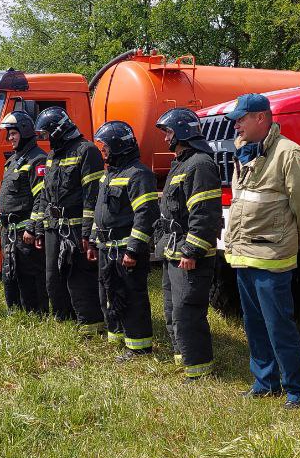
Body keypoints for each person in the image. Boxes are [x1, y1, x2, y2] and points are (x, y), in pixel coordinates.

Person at [223, 93, 300, 409]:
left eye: (242, 118)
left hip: (271, 256)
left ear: (262, 118)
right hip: (243, 255)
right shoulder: (245, 152)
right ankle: (265, 382)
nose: (237, 125)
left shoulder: (289, 154)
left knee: (279, 326)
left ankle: (299, 391)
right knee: (253, 325)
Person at [154, 108, 224, 380]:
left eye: (169, 132)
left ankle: (199, 369)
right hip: (174, 249)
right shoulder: (181, 163)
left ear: (183, 131)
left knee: (187, 311)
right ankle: (183, 358)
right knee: (172, 309)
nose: (165, 138)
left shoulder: (200, 164)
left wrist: (192, 250)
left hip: (189, 253)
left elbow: (204, 213)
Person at [32, 106, 105, 332]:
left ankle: (91, 325)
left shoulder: (87, 151)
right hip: (53, 227)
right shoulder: (53, 155)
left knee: (79, 278)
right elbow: (45, 195)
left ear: (57, 130)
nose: (44, 140)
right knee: (53, 278)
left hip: (75, 229)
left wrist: (87, 233)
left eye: (46, 134)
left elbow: (92, 197)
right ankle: (64, 321)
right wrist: (39, 229)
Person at [90, 121, 159, 360]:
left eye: (106, 147)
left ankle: (139, 347)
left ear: (119, 146)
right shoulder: (109, 175)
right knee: (108, 294)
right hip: (105, 248)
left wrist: (133, 250)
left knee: (131, 296)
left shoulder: (139, 175)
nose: (103, 151)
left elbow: (146, 215)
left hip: (124, 250)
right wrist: (92, 240)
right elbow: (100, 211)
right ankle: (118, 336)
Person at [0, 111, 48, 314]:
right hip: (9, 231)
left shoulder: (38, 160)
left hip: (24, 233)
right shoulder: (13, 161)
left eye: (13, 134)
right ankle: (15, 313)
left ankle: (35, 314)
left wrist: (31, 228)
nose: (10, 138)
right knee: (10, 273)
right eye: (8, 134)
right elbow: (7, 196)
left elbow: (41, 198)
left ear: (25, 132)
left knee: (30, 274)